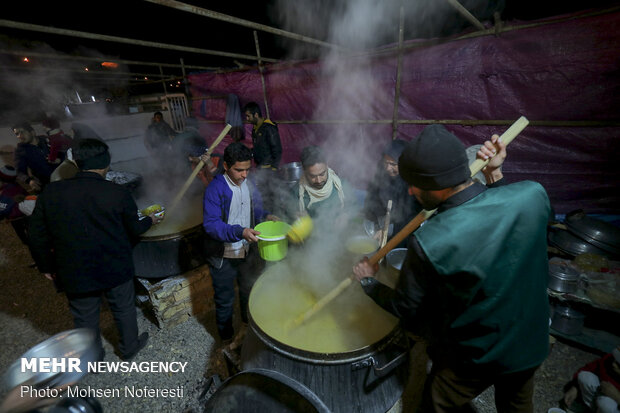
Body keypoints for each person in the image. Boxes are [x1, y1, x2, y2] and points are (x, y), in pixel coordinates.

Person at [353, 124, 551, 412]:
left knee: (435, 406)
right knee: (517, 406)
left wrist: (369, 284)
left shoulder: (432, 239)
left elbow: (407, 309)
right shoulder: (533, 195)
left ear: (437, 186)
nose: (409, 190)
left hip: (475, 356)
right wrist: (494, 175)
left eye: (415, 185)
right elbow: (509, 217)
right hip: (529, 344)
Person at [28, 139, 162, 361]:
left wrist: (46, 266)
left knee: (84, 316)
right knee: (123, 308)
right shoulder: (116, 193)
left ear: (77, 163)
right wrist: (150, 220)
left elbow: (36, 234)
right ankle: (129, 348)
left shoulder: (51, 193)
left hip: (74, 270)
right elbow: (135, 228)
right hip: (115, 266)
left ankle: (91, 358)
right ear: (106, 164)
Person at [202, 142, 278, 342]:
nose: (244, 175)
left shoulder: (249, 184)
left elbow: (256, 209)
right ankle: (226, 336)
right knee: (225, 299)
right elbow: (211, 225)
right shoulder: (215, 189)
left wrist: (266, 216)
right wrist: (239, 231)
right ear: (226, 166)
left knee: (248, 290)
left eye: (247, 169)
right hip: (223, 256)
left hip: (247, 250)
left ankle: (247, 326)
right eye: (239, 170)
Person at [363, 139, 422, 246]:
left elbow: (412, 215)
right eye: (386, 163)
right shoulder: (382, 172)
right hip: (382, 225)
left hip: (404, 231)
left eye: (393, 164)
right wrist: (379, 225)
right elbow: (372, 197)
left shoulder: (413, 181)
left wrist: (389, 229)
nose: (388, 168)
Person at [287, 145, 353, 230]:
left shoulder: (342, 186)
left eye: (322, 174)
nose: (318, 180)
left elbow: (353, 206)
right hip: (312, 239)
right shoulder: (296, 192)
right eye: (312, 176)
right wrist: (294, 217)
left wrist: (346, 215)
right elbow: (286, 216)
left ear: (327, 165)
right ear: (304, 170)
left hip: (339, 236)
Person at [243, 102, 282, 213]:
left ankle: (276, 216)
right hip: (261, 167)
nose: (247, 119)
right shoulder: (256, 129)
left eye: (248, 116)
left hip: (269, 168)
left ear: (256, 114)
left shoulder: (268, 128)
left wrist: (274, 168)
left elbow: (277, 150)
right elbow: (260, 147)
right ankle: (267, 215)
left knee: (273, 195)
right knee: (264, 194)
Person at [563, 346, 620, 413]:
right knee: (584, 376)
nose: (613, 364)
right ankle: (589, 409)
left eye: (618, 365)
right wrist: (575, 387)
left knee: (606, 404)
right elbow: (589, 368)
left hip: (615, 404)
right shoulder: (608, 360)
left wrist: (617, 397)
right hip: (601, 395)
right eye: (614, 359)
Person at [12, 122, 55, 193]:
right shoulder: (20, 150)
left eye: (22, 132)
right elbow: (19, 172)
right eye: (17, 134)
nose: (19, 136)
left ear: (32, 132)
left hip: (64, 180)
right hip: (46, 186)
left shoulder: (48, 141)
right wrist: (29, 181)